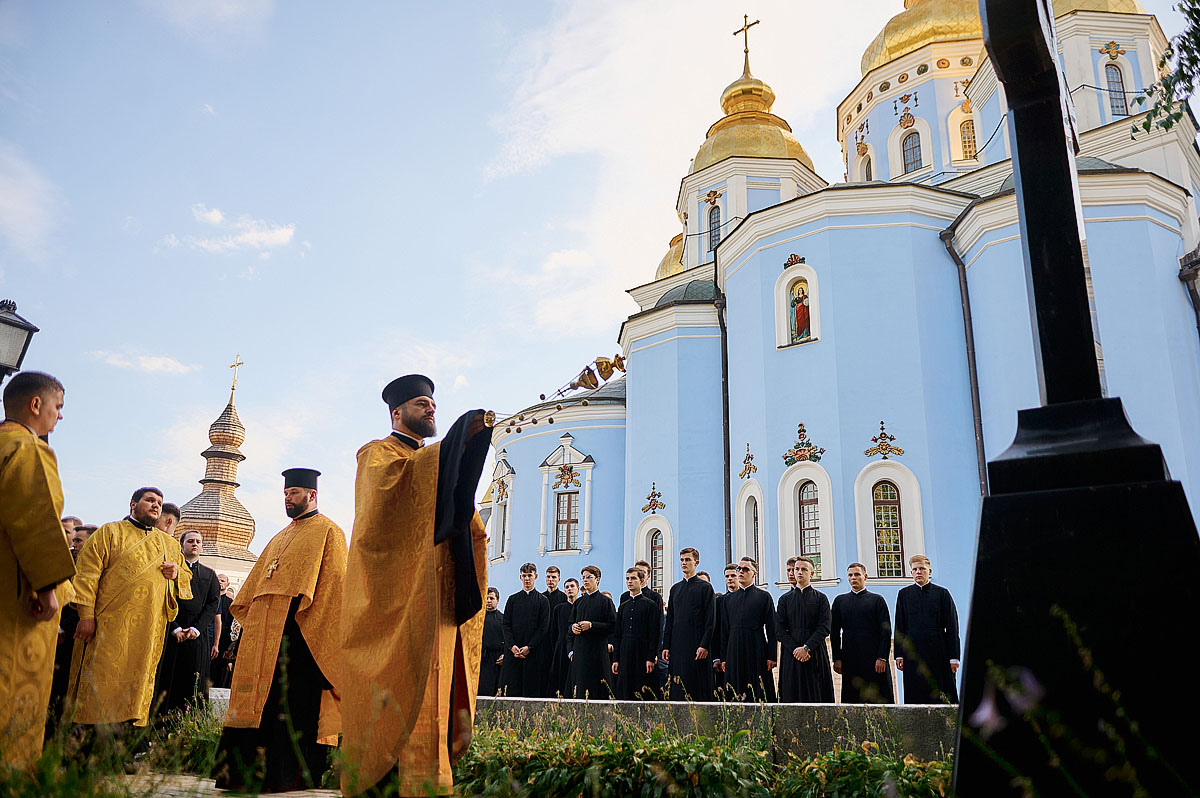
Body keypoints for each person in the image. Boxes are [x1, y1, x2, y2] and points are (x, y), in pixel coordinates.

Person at [340, 375, 491, 798]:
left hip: (438, 599)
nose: (431, 410)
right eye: (421, 404)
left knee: (436, 691)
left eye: (433, 405)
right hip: (397, 603)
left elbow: (463, 518)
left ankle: (428, 783)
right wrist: (457, 444)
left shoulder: (432, 463)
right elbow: (385, 513)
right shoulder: (377, 455)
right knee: (399, 686)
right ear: (397, 412)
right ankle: (383, 784)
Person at [213, 468, 347, 793]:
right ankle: (244, 776)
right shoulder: (278, 537)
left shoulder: (330, 532)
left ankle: (286, 779)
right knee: (257, 706)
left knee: (291, 708)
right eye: (286, 494)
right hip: (262, 638)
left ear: (312, 495)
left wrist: (314, 633)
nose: (288, 499)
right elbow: (252, 592)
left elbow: (336, 588)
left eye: (295, 493)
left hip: (300, 637)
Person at [69, 487, 192, 731]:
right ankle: (87, 747)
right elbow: (86, 576)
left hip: (147, 632)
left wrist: (177, 573)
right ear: (133, 504)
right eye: (149, 500)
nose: (156, 505)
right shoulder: (110, 532)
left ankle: (125, 748)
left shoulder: (168, 543)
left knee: (134, 691)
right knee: (99, 681)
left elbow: (187, 576)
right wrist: (85, 617)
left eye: (159, 502)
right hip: (107, 627)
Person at [0, 371, 75, 768]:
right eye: (58, 407)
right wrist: (47, 586)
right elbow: (34, 518)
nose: (59, 416)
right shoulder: (26, 447)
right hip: (15, 598)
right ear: (36, 405)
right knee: (13, 692)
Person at [154, 531, 221, 715]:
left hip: (196, 638)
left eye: (198, 541)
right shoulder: (169, 570)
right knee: (168, 682)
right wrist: (175, 628)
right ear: (182, 545)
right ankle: (161, 724)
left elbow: (213, 604)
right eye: (190, 541)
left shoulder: (210, 575)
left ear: (202, 546)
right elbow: (162, 599)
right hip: (172, 636)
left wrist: (195, 629)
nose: (194, 544)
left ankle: (190, 725)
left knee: (195, 686)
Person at [894, 555, 960, 704]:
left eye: (922, 569)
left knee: (943, 693)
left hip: (938, 649)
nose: (918, 572)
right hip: (913, 651)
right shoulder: (903, 594)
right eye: (915, 569)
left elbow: (952, 626)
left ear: (929, 571)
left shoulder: (942, 593)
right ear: (911, 572)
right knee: (915, 693)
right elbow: (899, 626)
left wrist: (954, 657)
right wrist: (899, 655)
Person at [830, 563, 894, 704]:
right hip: (850, 658)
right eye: (850, 575)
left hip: (874, 659)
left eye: (857, 574)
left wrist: (882, 657)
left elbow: (886, 631)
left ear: (865, 577)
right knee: (852, 700)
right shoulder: (840, 601)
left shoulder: (877, 600)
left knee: (879, 699)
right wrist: (837, 658)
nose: (853, 578)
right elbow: (834, 632)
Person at [776, 557, 834, 703]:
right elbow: (780, 629)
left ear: (812, 573)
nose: (799, 572)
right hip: (791, 654)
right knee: (791, 693)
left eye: (804, 569)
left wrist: (807, 648)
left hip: (814, 653)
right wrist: (796, 649)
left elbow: (825, 627)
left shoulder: (821, 598)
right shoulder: (784, 599)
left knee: (817, 693)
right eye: (797, 569)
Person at [718, 558, 776, 701]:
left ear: (754, 573)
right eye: (739, 569)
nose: (741, 572)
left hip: (756, 646)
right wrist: (724, 657)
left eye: (745, 569)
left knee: (758, 687)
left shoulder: (764, 597)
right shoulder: (728, 600)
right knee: (734, 687)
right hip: (734, 648)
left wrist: (772, 656)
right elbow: (724, 630)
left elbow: (771, 628)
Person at [662, 547, 715, 701]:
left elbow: (710, 620)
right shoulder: (675, 589)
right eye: (682, 560)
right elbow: (670, 619)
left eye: (688, 560)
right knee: (678, 687)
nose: (684, 563)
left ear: (696, 562)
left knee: (697, 686)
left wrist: (704, 645)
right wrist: (666, 646)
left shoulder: (705, 588)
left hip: (697, 645)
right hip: (678, 647)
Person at [500, 563, 550, 698]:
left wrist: (529, 647)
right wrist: (512, 646)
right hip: (513, 653)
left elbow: (543, 628)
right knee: (510, 691)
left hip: (533, 654)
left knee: (532, 691)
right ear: (520, 577)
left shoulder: (543, 601)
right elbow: (506, 625)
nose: (527, 579)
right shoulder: (512, 599)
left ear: (536, 576)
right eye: (524, 576)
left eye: (530, 575)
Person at [567, 565, 615, 699]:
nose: (585, 580)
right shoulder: (579, 602)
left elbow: (612, 626)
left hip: (598, 651)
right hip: (581, 651)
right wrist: (573, 628)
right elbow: (570, 624)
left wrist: (592, 625)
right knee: (580, 688)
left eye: (589, 577)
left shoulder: (605, 601)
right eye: (583, 577)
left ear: (597, 579)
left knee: (599, 689)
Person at [613, 568, 660, 700]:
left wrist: (651, 657)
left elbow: (654, 634)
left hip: (643, 653)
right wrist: (616, 659)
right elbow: (618, 635)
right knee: (624, 690)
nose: (629, 581)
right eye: (627, 578)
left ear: (642, 580)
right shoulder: (623, 606)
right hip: (625, 652)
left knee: (643, 689)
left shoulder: (651, 605)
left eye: (633, 578)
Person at [711, 563, 740, 698]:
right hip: (725, 652)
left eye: (733, 575)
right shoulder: (720, 601)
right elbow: (716, 631)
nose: (730, 579)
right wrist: (717, 657)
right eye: (727, 576)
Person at [546, 577, 578, 697]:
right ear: (564, 591)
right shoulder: (558, 609)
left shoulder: (582, 606)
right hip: (560, 648)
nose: (569, 589)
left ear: (578, 589)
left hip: (577, 647)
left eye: (572, 586)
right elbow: (553, 631)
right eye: (567, 587)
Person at [478, 587, 504, 697]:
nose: (488, 600)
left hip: (496, 661)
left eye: (491, 598)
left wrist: (505, 655)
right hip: (480, 659)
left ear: (497, 600)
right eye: (486, 598)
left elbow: (508, 640)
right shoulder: (478, 618)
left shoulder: (503, 619)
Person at [211, 574, 235, 688]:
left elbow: (231, 625)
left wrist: (228, 647)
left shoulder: (230, 603)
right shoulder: (210, 598)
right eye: (218, 580)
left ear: (227, 584)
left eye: (222, 580)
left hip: (223, 641)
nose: (220, 582)